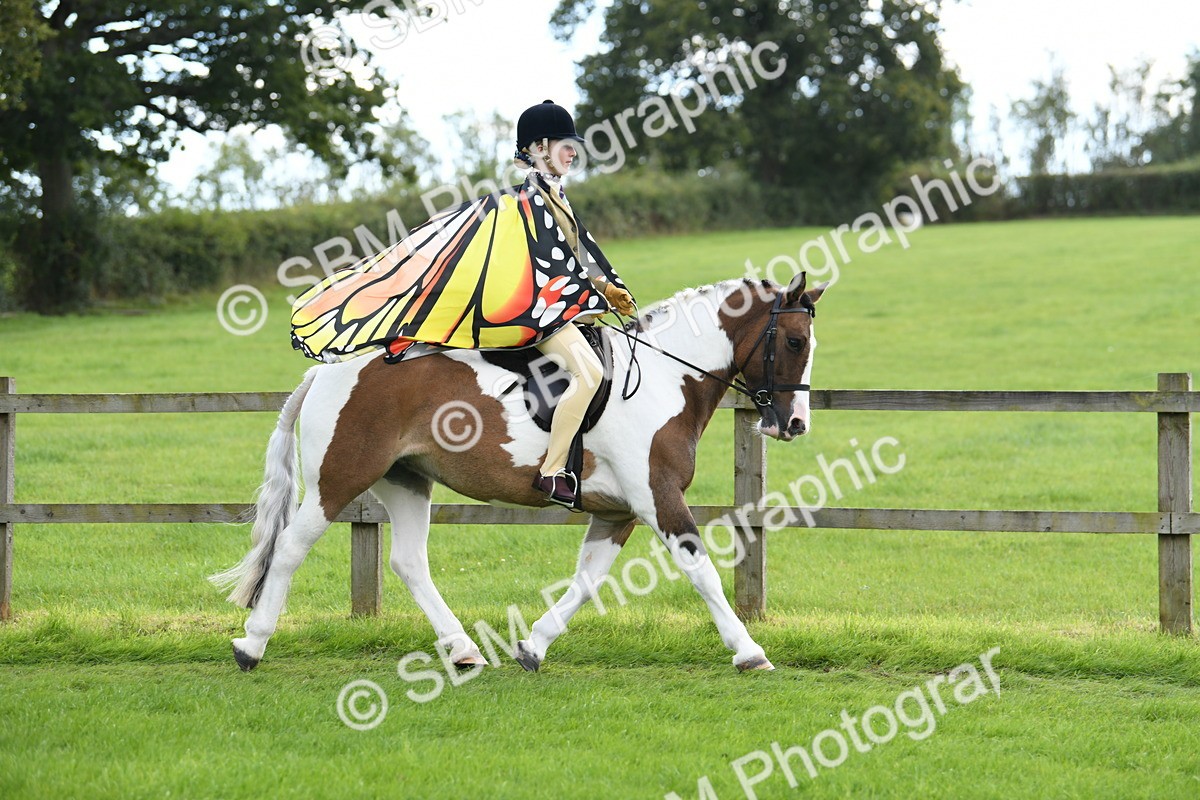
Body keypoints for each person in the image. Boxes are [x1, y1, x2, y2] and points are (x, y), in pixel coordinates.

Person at [290, 100, 637, 508]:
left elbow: (575, 254)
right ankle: (552, 470)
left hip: (556, 304)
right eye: (565, 144)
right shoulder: (528, 202)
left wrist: (607, 286)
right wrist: (591, 292)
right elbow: (544, 263)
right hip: (539, 311)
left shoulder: (555, 196)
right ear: (541, 147)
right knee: (590, 372)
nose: (573, 151)